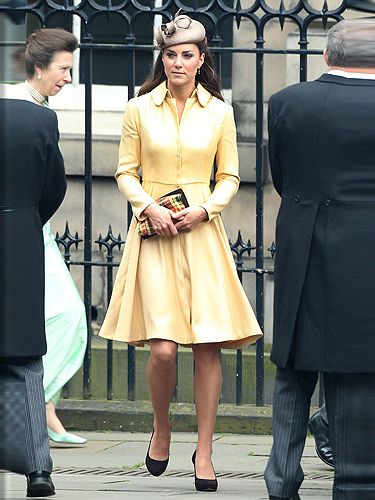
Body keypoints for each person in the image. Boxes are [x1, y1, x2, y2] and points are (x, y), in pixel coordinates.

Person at [99, 10, 263, 493]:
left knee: (208, 344)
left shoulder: (220, 111)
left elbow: (231, 175)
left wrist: (206, 209)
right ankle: (163, 427)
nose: (176, 62)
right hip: (154, 233)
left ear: (201, 58)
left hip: (200, 232)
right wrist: (148, 206)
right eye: (169, 54)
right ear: (163, 58)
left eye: (186, 54)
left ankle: (206, 452)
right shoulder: (138, 108)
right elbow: (125, 171)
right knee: (165, 350)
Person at [264, 19, 375, 500]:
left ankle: (282, 480)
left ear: (328, 56)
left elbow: (282, 177)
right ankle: (353, 478)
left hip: (302, 240)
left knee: (293, 361)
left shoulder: (288, 102)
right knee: (355, 364)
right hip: (364, 248)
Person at [2, 28, 88, 445]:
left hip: (37, 228)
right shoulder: (13, 104)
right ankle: (38, 409)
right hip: (21, 229)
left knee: (69, 318)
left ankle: (43, 404)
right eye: (64, 69)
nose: (69, 78)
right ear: (39, 67)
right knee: (61, 316)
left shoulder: (43, 109)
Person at [0, 97, 66, 496]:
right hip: (20, 240)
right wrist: (23, 218)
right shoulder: (39, 119)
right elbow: (54, 188)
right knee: (25, 361)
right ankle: (38, 469)